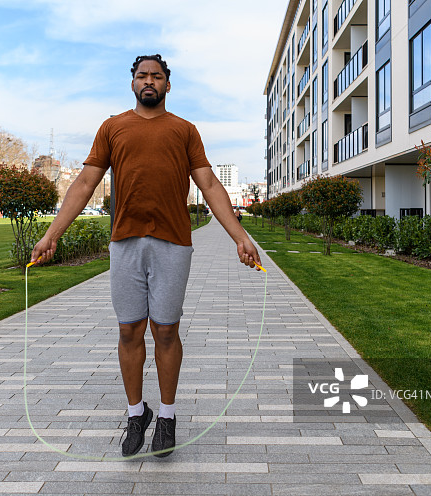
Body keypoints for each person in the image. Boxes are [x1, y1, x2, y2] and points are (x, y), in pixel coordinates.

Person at [30, 54, 262, 458]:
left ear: (168, 85)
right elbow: (86, 182)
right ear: (133, 83)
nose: (149, 81)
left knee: (166, 331)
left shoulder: (185, 130)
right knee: (128, 330)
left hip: (174, 243)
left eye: (156, 76)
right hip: (125, 243)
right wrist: (52, 234)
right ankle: (137, 413)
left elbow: (208, 184)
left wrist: (239, 236)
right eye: (142, 76)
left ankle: (168, 417)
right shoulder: (112, 127)